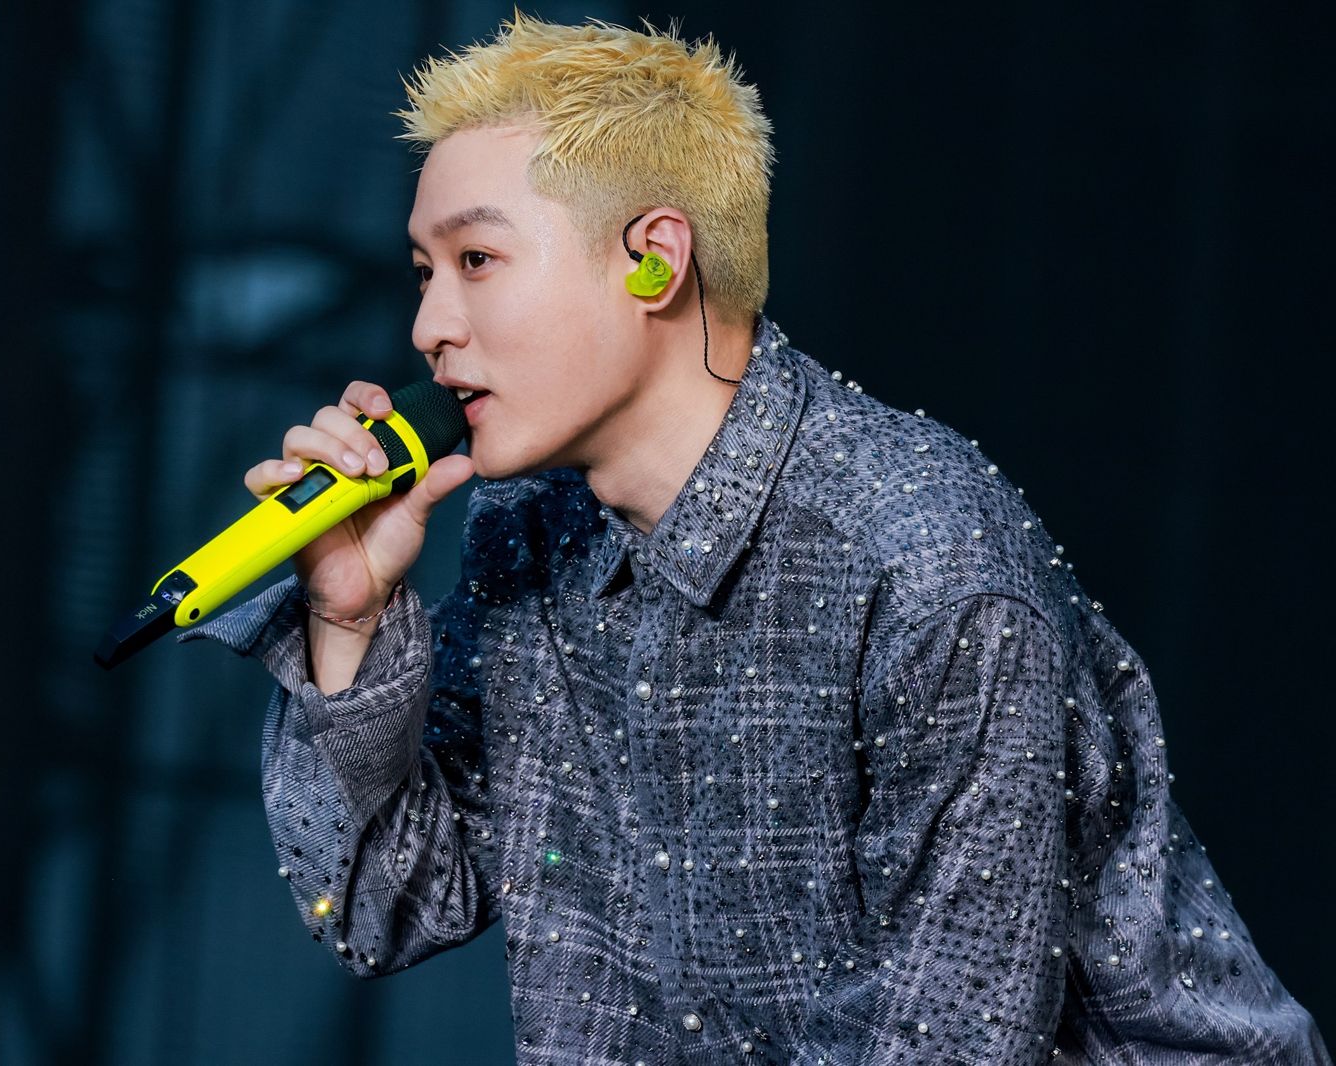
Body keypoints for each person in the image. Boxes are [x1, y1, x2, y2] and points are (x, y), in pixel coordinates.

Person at [182, 14, 1329, 1064]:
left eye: (476, 261)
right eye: (424, 273)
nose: (431, 326)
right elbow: (385, 905)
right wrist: (348, 620)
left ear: (654, 256)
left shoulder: (924, 562)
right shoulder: (530, 531)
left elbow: (954, 1044)